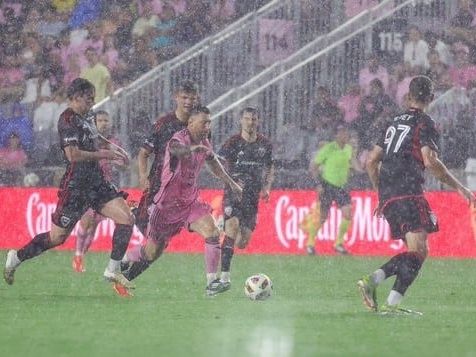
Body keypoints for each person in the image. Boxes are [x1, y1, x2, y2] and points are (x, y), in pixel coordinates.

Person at [3, 78, 135, 297]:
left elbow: (95, 140)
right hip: (76, 186)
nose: (91, 102)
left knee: (126, 219)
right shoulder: (67, 120)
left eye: (93, 98)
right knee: (57, 238)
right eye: (88, 98)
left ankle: (112, 270)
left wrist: (115, 151)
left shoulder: (88, 116)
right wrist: (104, 154)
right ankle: (16, 257)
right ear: (74, 97)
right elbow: (72, 155)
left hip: (97, 182)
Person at [358, 75, 476, 314]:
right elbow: (430, 161)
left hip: (390, 194)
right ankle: (373, 281)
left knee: (416, 252)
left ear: (408, 96)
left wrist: (380, 194)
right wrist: (460, 187)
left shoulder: (393, 122)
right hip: (409, 191)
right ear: (431, 97)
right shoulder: (425, 122)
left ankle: (391, 305)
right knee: (420, 252)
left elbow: (371, 161)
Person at [118, 106, 242, 297]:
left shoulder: (205, 142)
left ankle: (212, 283)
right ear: (191, 123)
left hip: (190, 202)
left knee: (212, 232)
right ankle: (123, 259)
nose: (207, 126)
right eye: (204, 122)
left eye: (209, 122)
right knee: (152, 252)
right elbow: (178, 150)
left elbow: (213, 163)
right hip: (166, 205)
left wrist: (232, 184)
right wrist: (194, 149)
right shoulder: (178, 138)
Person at [217, 107, 274, 289]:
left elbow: (270, 167)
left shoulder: (265, 144)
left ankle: (223, 225)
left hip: (252, 196)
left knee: (242, 243)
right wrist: (231, 181)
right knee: (232, 229)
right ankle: (224, 278)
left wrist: (266, 187)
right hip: (234, 193)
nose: (250, 122)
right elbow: (219, 165)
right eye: (247, 119)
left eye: (253, 119)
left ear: (258, 121)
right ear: (241, 121)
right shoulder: (232, 143)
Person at [134, 80, 199, 236]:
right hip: (159, 186)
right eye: (184, 97)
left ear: (197, 99)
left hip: (184, 190)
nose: (188, 102)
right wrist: (143, 177)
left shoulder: (200, 127)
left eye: (192, 98)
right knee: (150, 234)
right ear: (176, 97)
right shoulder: (163, 124)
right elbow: (143, 153)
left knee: (208, 231)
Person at [72, 110, 126, 273]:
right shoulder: (89, 141)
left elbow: (123, 165)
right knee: (86, 221)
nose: (104, 123)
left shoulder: (114, 142)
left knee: (94, 226)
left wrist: (118, 163)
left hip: (106, 189)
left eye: (106, 120)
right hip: (89, 187)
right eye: (100, 120)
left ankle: (81, 255)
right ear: (94, 123)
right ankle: (78, 255)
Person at [305, 125, 364, 256]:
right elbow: (313, 166)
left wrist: (363, 169)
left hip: (342, 186)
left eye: (346, 133)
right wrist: (318, 184)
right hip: (327, 185)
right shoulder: (328, 148)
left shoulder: (349, 149)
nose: (345, 135)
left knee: (348, 213)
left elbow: (354, 164)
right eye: (342, 133)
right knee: (322, 217)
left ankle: (338, 243)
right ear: (337, 135)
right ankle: (310, 243)